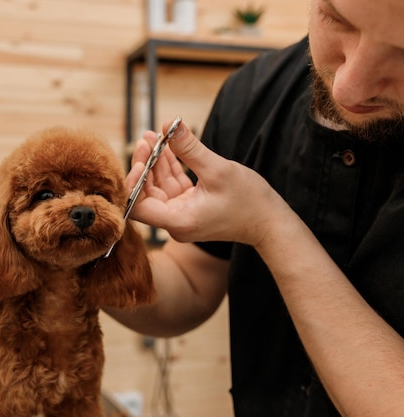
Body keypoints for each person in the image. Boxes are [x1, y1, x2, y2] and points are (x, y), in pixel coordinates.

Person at [104, 0, 404, 416]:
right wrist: (89, 259)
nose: (349, 87)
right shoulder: (252, 93)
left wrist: (269, 225)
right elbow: (191, 281)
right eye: (336, 19)